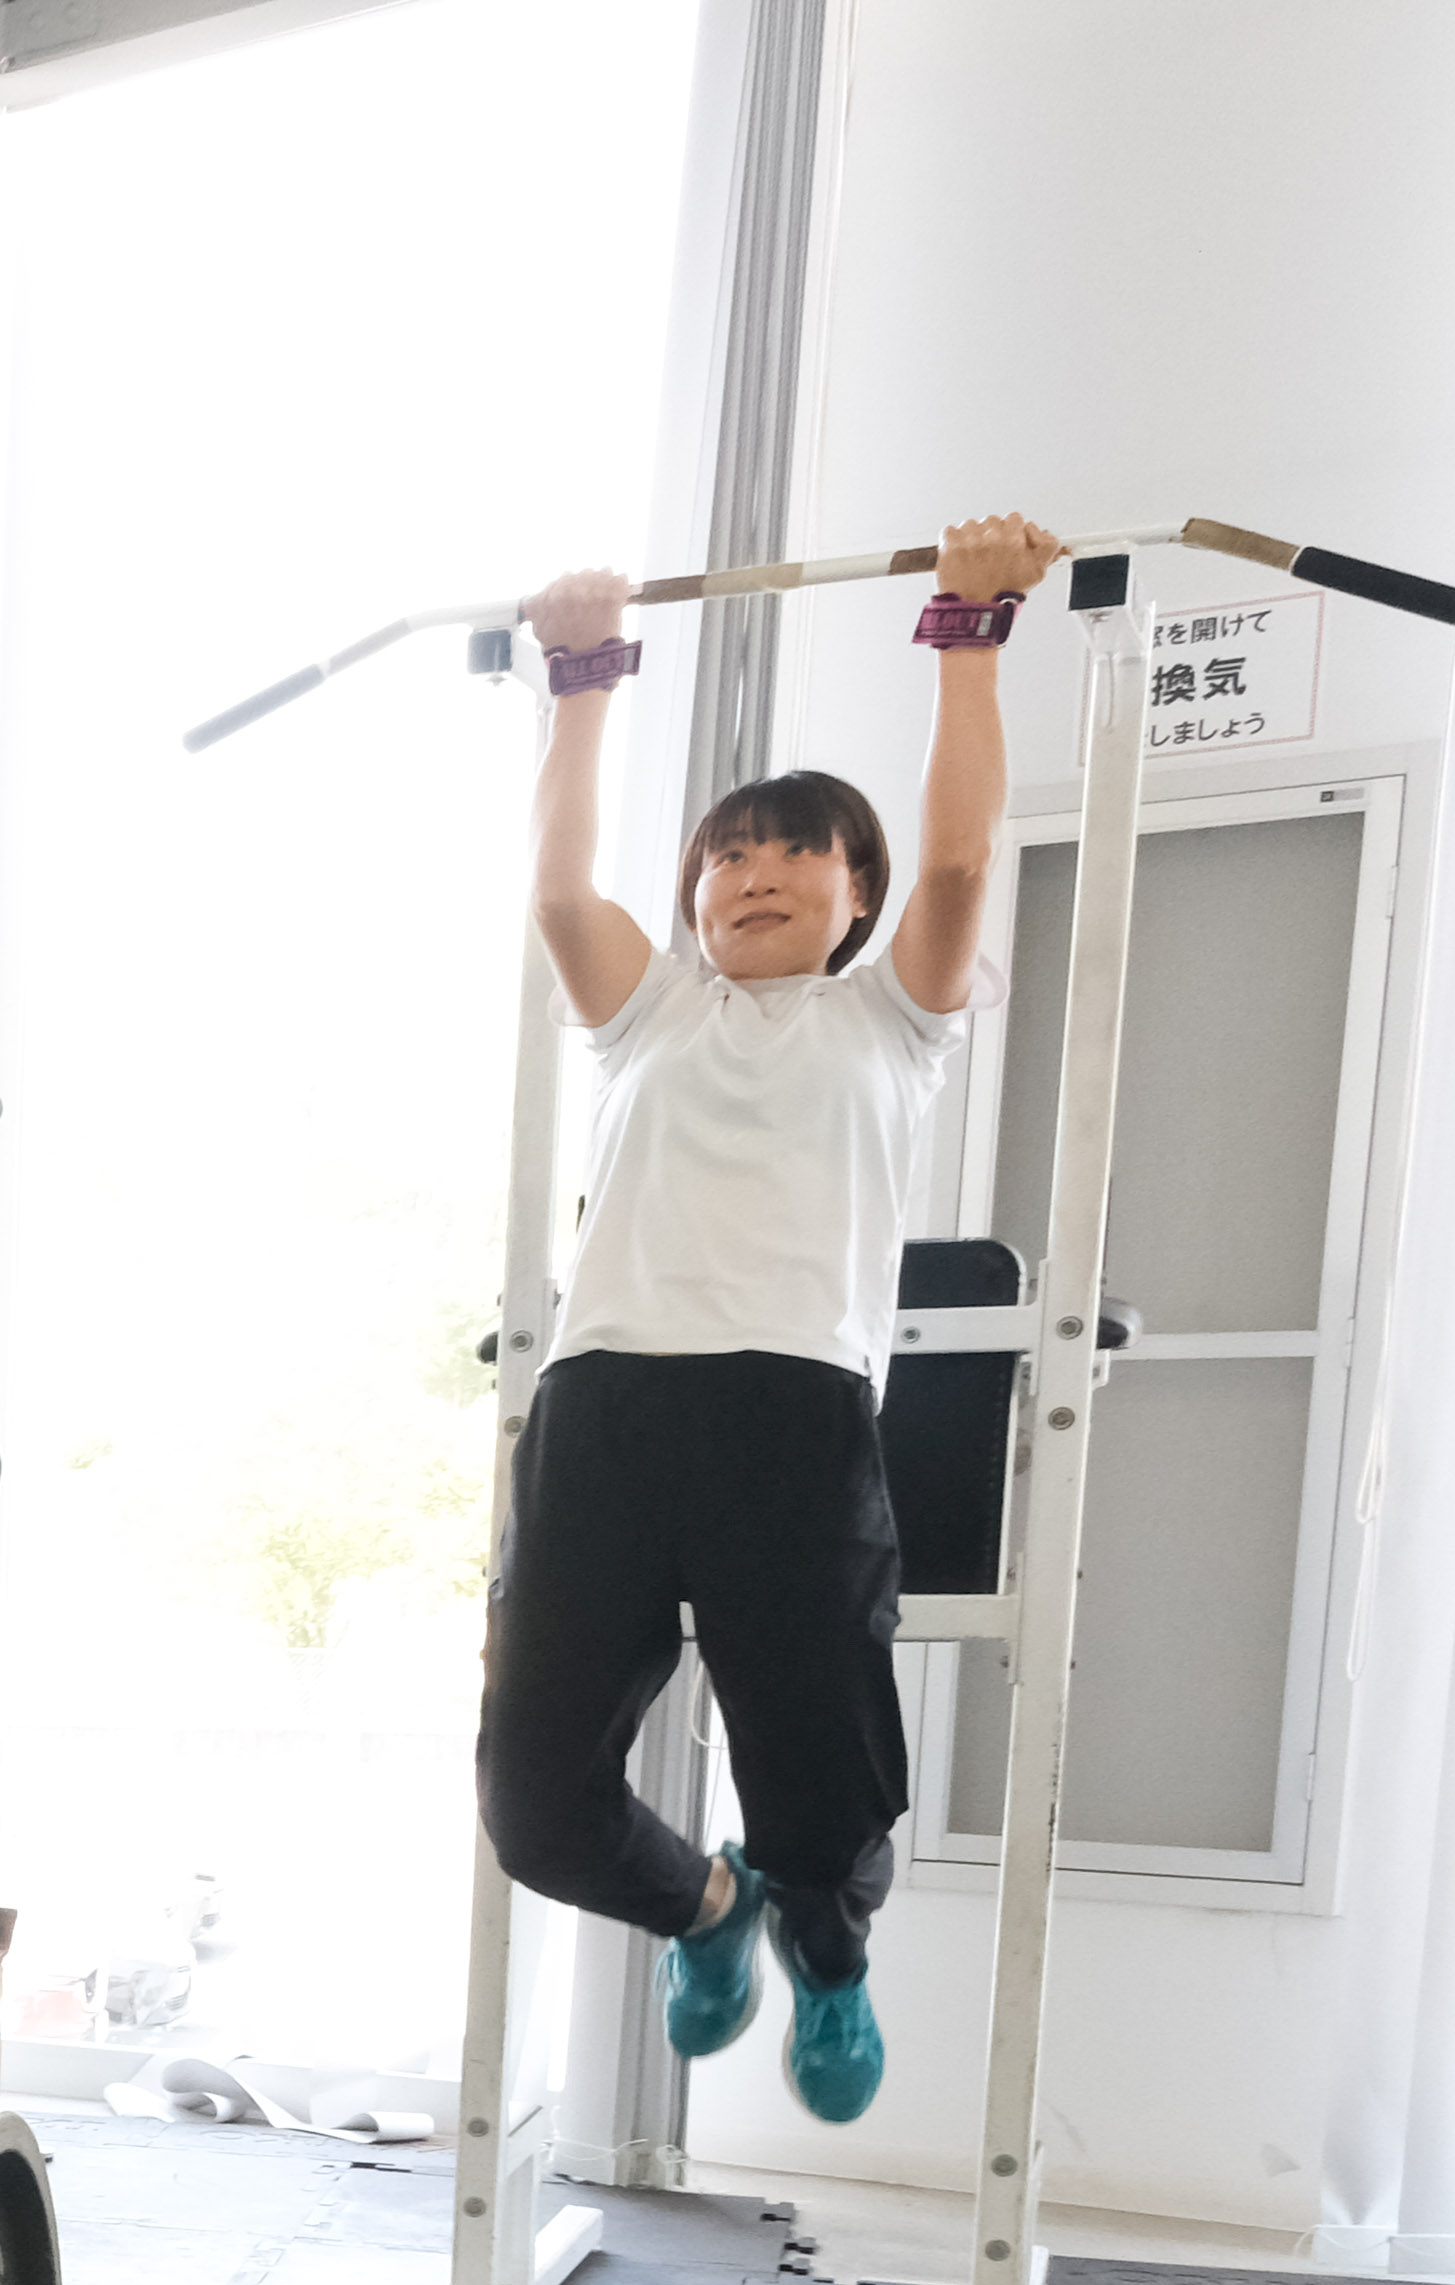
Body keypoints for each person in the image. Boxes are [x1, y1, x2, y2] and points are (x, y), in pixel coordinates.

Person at [478, 510, 1061, 2129]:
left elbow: (961, 861)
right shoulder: (648, 1012)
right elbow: (559, 888)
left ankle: (825, 1940)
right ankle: (710, 1909)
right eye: (727, 857)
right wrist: (583, 675)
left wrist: (970, 630)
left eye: (797, 853)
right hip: (604, 1411)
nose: (753, 875)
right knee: (535, 1806)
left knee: (825, 1786)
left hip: (793, 1417)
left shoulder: (893, 1021)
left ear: (855, 896)